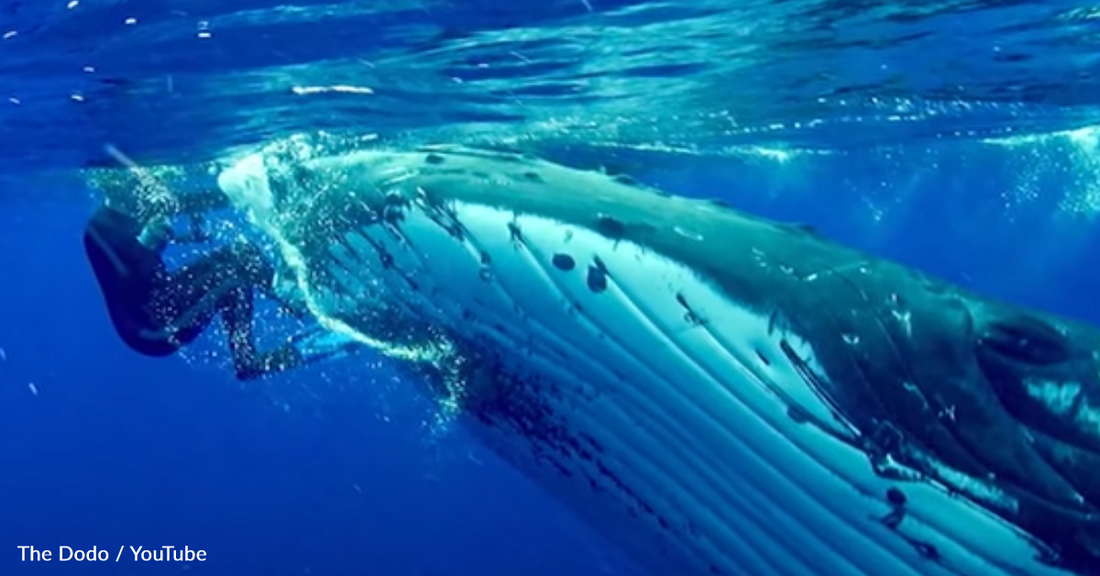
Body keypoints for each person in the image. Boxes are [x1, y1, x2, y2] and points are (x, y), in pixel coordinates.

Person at [83, 186, 358, 380]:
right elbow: (130, 282)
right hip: (150, 327)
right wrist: (151, 242)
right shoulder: (99, 229)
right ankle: (248, 362)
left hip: (165, 294)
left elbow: (195, 201)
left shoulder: (137, 204)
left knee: (242, 252)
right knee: (233, 282)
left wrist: (244, 190)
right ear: (108, 186)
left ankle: (302, 302)